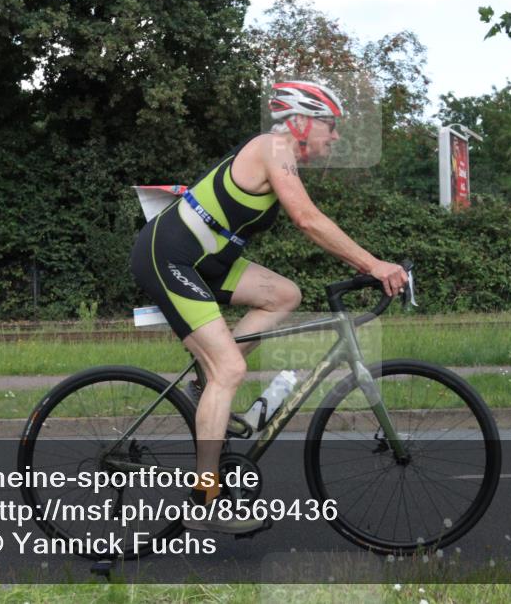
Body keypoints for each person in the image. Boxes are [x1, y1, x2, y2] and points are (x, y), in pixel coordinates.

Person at [129, 81, 408, 534]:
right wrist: (374, 264)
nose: (334, 137)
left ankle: (211, 377)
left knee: (284, 295)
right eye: (330, 126)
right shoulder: (272, 146)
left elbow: (307, 219)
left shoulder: (284, 157)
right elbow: (307, 219)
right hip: (168, 256)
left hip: (208, 262)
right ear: (300, 122)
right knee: (229, 373)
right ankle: (205, 498)